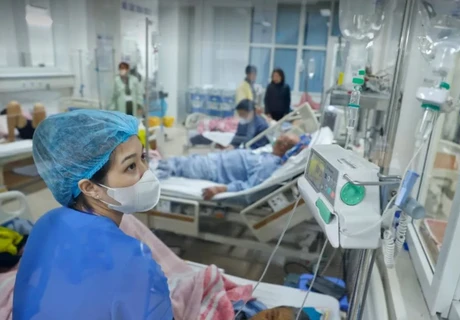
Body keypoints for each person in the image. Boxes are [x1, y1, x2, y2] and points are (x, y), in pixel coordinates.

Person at [13, 110, 173, 319]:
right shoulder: (134, 261)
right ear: (89, 187)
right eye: (131, 166)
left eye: (143, 157)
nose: (146, 173)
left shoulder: (45, 223)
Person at [152, 134, 300, 200]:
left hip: (214, 170)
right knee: (180, 161)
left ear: (284, 146)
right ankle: (151, 165)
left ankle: (148, 174)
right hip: (215, 160)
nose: (279, 136)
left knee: (176, 165)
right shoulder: (269, 155)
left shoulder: (269, 166)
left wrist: (220, 189)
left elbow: (249, 188)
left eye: (283, 137)